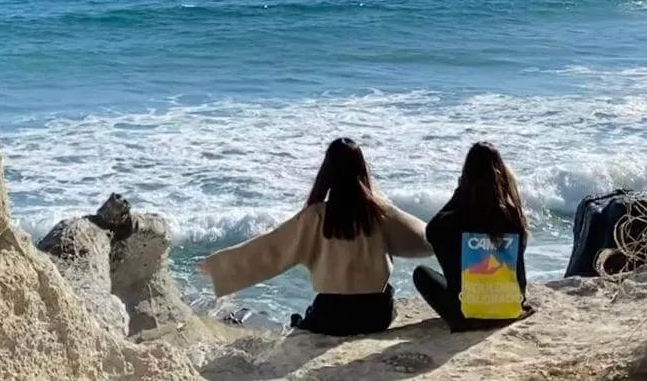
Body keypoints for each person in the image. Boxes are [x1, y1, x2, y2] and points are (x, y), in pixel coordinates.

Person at [199, 137, 432, 335]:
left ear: (327, 172)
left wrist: (219, 264)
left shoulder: (316, 216)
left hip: (331, 318)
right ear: (362, 169)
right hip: (376, 315)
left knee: (300, 320)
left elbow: (271, 248)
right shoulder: (380, 212)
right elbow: (424, 236)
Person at [413, 141, 533, 332]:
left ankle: (471, 309)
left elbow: (431, 231)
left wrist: (459, 194)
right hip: (508, 309)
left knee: (421, 274)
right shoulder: (512, 219)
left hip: (465, 314)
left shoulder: (451, 221)